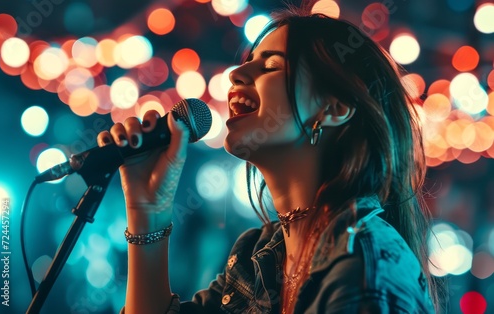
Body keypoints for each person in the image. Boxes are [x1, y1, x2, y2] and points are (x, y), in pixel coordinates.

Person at [97, 6, 443, 314]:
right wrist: (148, 213)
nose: (236, 74)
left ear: (334, 108)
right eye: (248, 62)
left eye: (271, 66)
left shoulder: (364, 268)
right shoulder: (257, 258)